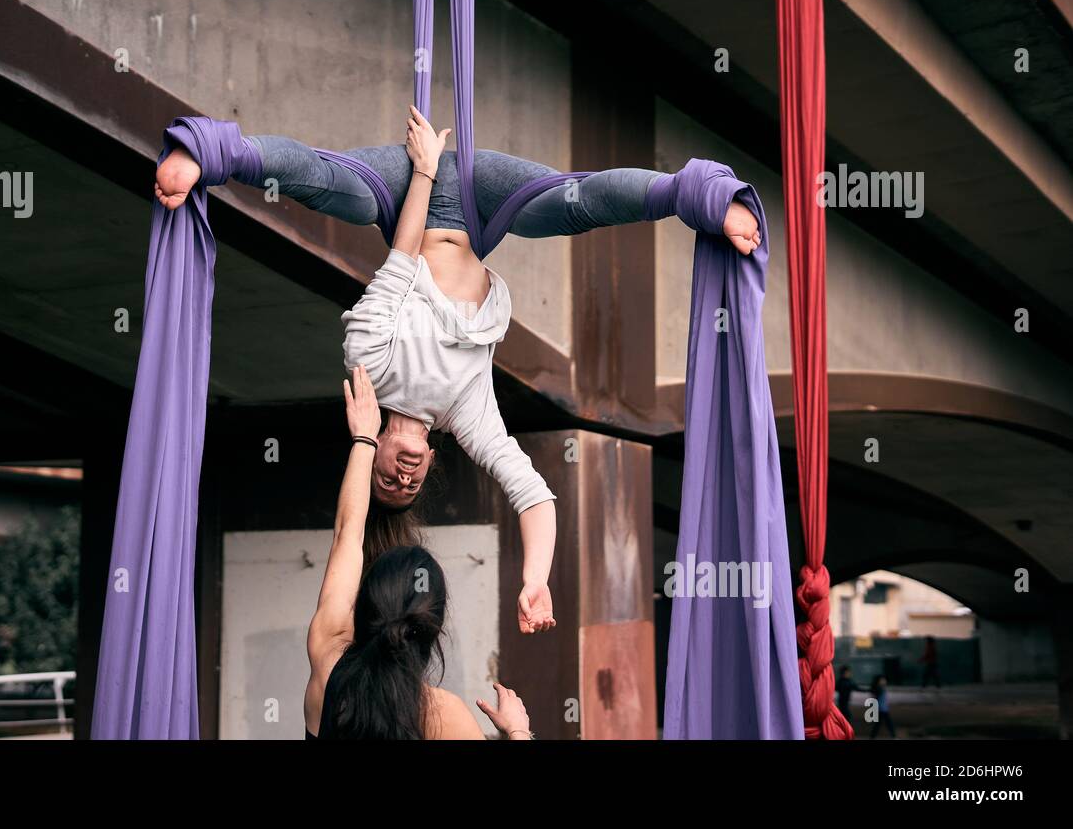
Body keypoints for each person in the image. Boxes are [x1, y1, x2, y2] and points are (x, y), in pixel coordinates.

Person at [156, 107, 763, 633]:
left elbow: (401, 257)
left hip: (401, 191)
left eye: (388, 482)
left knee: (323, 182)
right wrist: (535, 578)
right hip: (480, 204)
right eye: (411, 488)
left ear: (373, 454)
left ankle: (215, 150)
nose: (405, 478)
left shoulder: (367, 369)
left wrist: (422, 169)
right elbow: (533, 494)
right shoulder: (465, 413)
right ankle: (696, 196)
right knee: (580, 202)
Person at [303, 364, 534, 740]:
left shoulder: (327, 657)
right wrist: (518, 731)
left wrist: (365, 440)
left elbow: (348, 533)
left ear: (362, 605)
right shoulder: (441, 715)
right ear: (433, 628)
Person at [868, 674, 896, 739]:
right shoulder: (879, 688)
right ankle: (893, 736)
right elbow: (875, 698)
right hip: (881, 709)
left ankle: (872, 737)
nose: (884, 681)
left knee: (880, 724)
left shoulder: (881, 688)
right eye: (882, 680)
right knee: (887, 723)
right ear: (879, 681)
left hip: (883, 709)